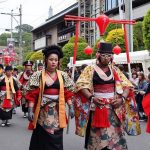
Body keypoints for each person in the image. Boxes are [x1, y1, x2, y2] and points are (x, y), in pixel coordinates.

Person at [75, 42, 141, 150]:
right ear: (98, 55)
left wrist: (122, 99)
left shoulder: (114, 69)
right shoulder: (90, 69)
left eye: (109, 55)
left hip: (113, 107)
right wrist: (91, 97)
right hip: (97, 106)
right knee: (98, 138)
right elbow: (81, 85)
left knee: (116, 138)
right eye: (104, 55)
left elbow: (128, 86)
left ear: (112, 56)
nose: (106, 58)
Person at [25, 45, 75, 150]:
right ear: (46, 60)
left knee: (56, 135)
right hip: (43, 110)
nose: (53, 62)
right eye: (51, 59)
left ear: (58, 62)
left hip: (57, 110)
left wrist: (71, 107)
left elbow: (67, 93)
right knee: (43, 135)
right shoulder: (37, 75)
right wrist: (30, 110)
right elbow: (32, 95)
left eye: (56, 60)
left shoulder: (63, 75)